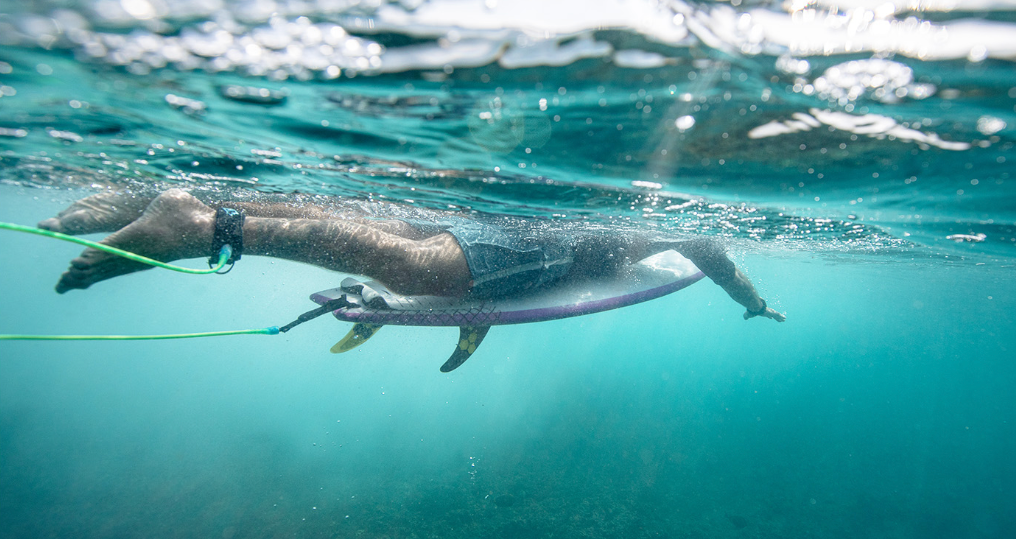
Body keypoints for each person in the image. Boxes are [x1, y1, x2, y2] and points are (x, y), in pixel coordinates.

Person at [39, 188, 786, 322]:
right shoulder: (674, 219)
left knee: (370, 228)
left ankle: (159, 202)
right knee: (407, 267)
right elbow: (711, 251)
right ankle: (206, 226)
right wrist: (751, 303)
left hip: (514, 225)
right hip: (540, 247)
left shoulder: (648, 208)